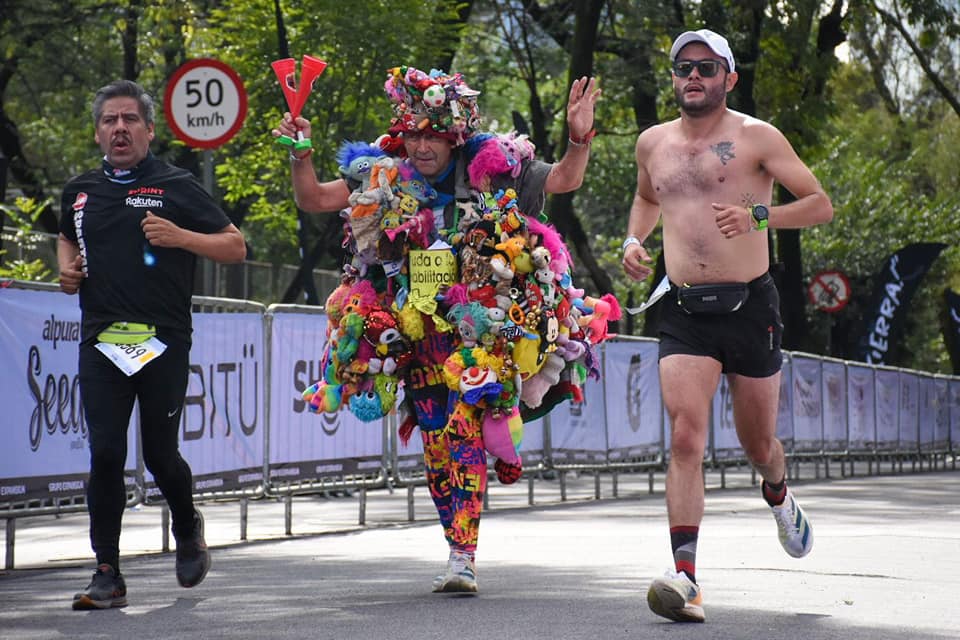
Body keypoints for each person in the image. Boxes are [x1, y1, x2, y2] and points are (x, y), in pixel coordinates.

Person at [273, 65, 604, 593]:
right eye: (413, 135)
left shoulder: (493, 165)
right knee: (434, 443)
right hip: (414, 335)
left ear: (455, 137)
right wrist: (301, 154)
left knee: (462, 432)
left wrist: (578, 136)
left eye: (433, 136)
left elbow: (566, 178)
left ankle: (463, 554)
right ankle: (455, 541)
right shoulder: (383, 174)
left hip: (481, 333)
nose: (422, 146)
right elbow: (313, 198)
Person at [622, 29, 833, 623]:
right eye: (683, 66)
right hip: (683, 310)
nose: (693, 75)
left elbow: (819, 204)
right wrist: (633, 241)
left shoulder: (757, 137)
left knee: (758, 445)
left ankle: (778, 493)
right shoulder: (652, 143)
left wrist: (758, 215)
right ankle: (685, 577)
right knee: (685, 436)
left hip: (750, 307)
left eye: (707, 67)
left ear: (729, 78)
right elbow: (647, 199)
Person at [58, 79, 247, 610]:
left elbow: (235, 246)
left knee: (160, 454)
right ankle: (107, 573)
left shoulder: (175, 184)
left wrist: (181, 237)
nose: (119, 129)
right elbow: (68, 235)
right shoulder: (79, 190)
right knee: (105, 452)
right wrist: (67, 270)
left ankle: (186, 526)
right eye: (109, 120)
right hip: (101, 339)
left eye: (130, 120)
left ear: (148, 129)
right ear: (98, 132)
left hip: (162, 340)